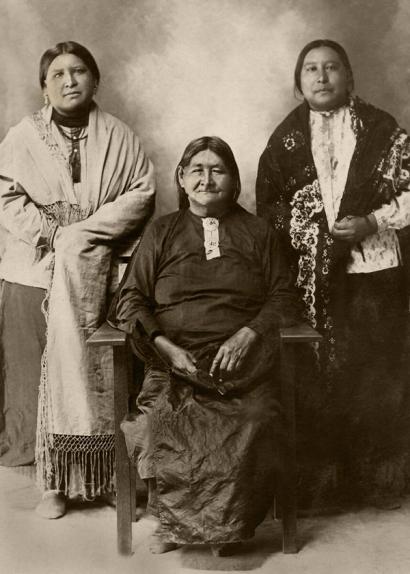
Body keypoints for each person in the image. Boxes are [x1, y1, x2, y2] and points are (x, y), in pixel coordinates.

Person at [111, 136, 298, 555]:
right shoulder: (161, 231)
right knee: (159, 420)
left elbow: (284, 296)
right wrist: (164, 345)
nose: (207, 178)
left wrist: (249, 333)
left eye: (218, 170)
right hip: (174, 364)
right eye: (197, 169)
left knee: (251, 418)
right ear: (181, 178)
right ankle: (176, 525)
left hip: (243, 366)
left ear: (233, 181)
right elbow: (131, 299)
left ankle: (224, 527)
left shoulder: (258, 232)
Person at [0, 41, 155, 518]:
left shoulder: (121, 137)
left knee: (107, 374)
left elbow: (141, 194)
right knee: (45, 377)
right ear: (44, 87)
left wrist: (82, 236)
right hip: (36, 272)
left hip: (104, 274)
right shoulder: (23, 137)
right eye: (59, 74)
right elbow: (6, 196)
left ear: (95, 80)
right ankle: (54, 482)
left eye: (80, 71)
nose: (70, 81)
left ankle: (105, 476)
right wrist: (55, 236)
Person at [256, 39, 410, 510]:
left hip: (372, 270)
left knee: (372, 371)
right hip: (309, 277)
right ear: (298, 82)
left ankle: (374, 480)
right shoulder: (285, 140)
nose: (321, 77)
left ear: (349, 76)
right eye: (311, 70)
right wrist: (307, 235)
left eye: (331, 68)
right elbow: (269, 208)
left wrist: (371, 222)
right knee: (312, 374)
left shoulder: (383, 130)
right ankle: (319, 483)